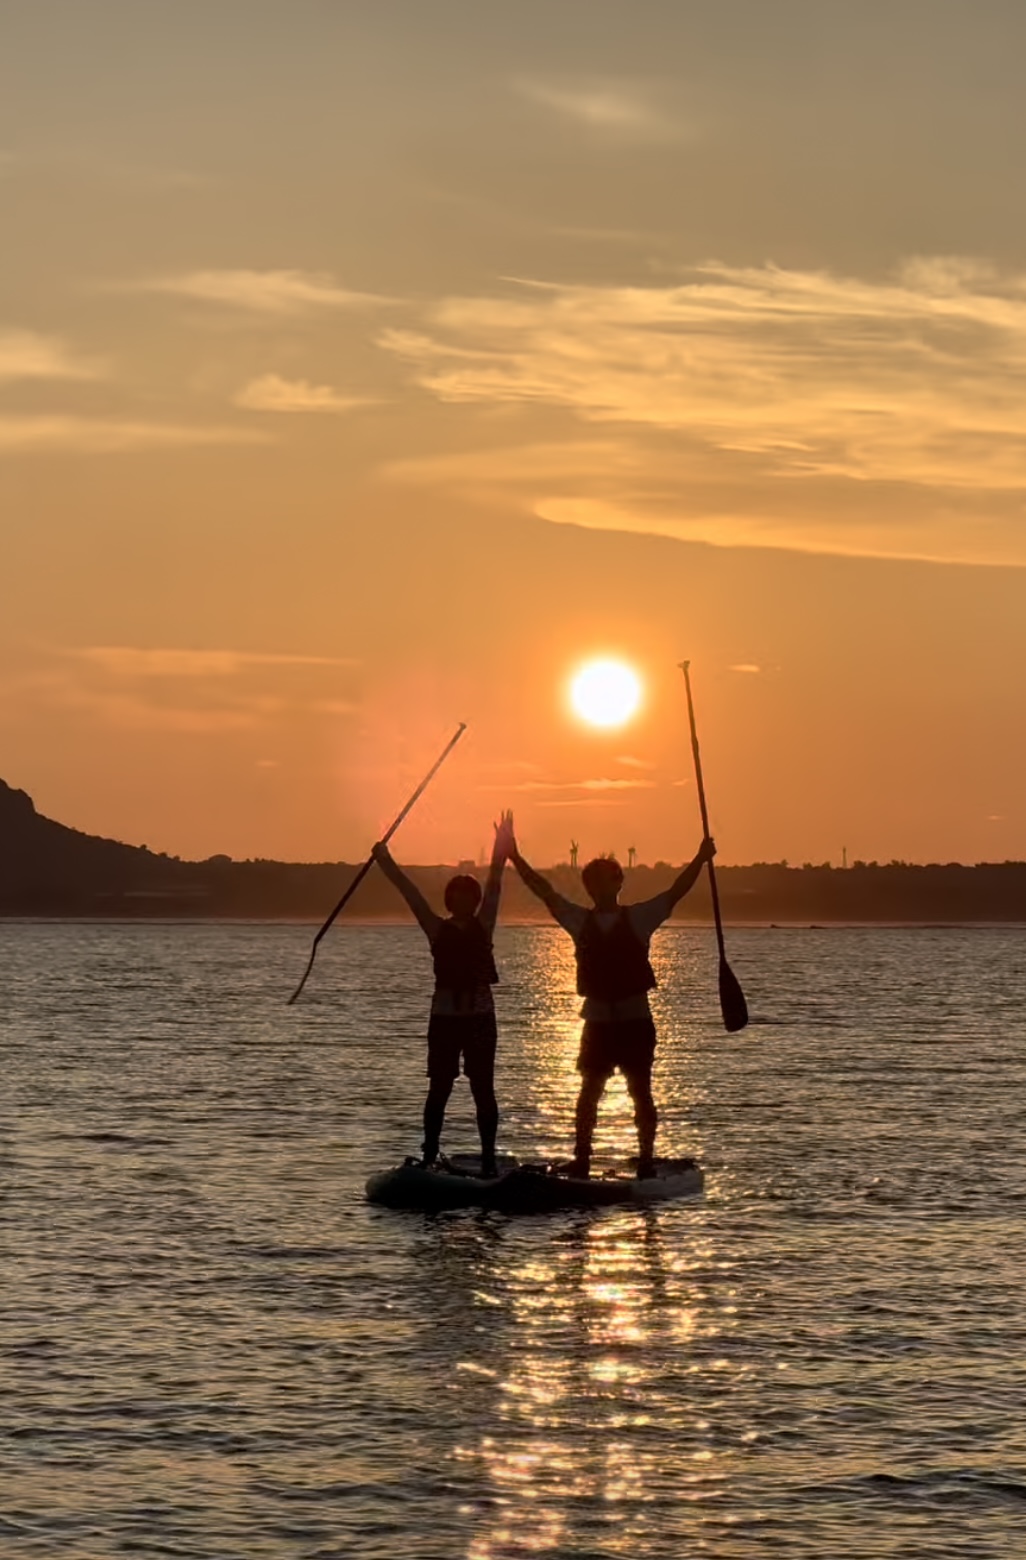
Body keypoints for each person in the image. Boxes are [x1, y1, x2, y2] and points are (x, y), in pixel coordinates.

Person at [507, 823, 716, 1179]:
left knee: (640, 1093)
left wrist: (700, 858)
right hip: (598, 1023)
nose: (598, 888)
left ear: (618, 883)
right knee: (589, 1093)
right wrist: (514, 856)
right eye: (593, 882)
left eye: (605, 880)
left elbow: (675, 891)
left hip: (635, 1022)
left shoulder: (639, 917)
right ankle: (582, 1159)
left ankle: (647, 1160)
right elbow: (545, 891)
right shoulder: (579, 920)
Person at [371, 812, 513, 1176]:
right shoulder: (437, 928)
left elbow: (495, 886)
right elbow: (411, 895)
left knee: (484, 1088)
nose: (464, 900)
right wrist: (385, 862)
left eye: (469, 896)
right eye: (458, 895)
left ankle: (487, 1160)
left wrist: (501, 849)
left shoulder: (484, 926)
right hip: (445, 1018)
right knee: (439, 1088)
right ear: (450, 900)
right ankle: (430, 1152)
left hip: (480, 1017)